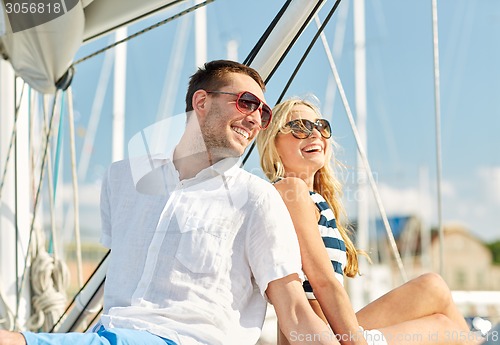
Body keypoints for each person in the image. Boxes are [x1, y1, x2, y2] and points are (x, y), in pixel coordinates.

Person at [0, 61, 339, 345]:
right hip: (111, 335)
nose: (255, 119)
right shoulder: (123, 179)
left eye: (263, 113)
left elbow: (294, 310)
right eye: (246, 102)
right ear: (202, 102)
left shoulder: (257, 199)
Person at [256, 97, 481, 345]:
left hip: (332, 331)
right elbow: (323, 282)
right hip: (319, 338)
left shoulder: (313, 199)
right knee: (444, 326)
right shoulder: (290, 190)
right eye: (300, 127)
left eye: (320, 126)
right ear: (273, 142)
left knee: (433, 286)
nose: (315, 134)